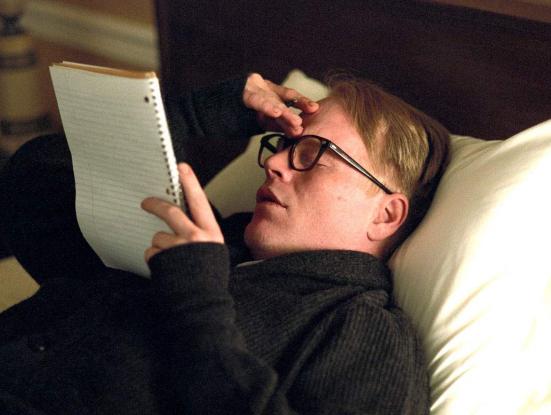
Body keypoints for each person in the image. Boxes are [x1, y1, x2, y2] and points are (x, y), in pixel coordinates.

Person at [0, 72, 449, 414]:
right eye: (281, 144)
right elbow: (33, 189)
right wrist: (192, 116)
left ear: (385, 214)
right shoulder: (208, 241)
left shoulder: (360, 329)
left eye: (312, 154)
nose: (274, 162)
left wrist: (197, 301)